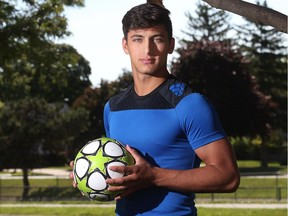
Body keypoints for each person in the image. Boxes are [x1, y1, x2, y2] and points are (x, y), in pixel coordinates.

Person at [70, 2, 240, 215]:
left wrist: (154, 176)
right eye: (137, 39)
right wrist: (90, 175)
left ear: (170, 44)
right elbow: (122, 175)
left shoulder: (190, 104)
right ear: (125, 45)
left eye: (157, 39)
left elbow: (228, 177)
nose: (147, 50)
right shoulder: (113, 108)